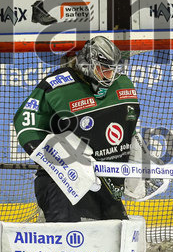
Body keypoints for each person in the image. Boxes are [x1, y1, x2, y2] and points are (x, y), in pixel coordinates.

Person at [13, 35, 140, 222]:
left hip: (105, 182)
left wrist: (138, 156)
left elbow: (129, 125)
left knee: (116, 238)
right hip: (63, 182)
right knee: (66, 240)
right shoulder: (57, 85)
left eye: (112, 70)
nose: (109, 76)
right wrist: (61, 159)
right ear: (87, 64)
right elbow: (26, 124)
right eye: (103, 69)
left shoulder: (123, 85)